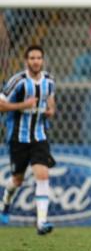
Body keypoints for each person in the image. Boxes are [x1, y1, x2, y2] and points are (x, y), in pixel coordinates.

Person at [0, 45, 56, 235]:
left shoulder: (49, 81)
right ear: (26, 61)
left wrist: (50, 111)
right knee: (17, 179)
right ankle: (6, 201)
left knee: (43, 175)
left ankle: (41, 222)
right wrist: (23, 104)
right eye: (32, 58)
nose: (35, 61)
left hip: (39, 136)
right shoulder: (18, 81)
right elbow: (1, 104)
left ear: (43, 60)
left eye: (38, 58)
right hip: (18, 138)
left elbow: (51, 103)